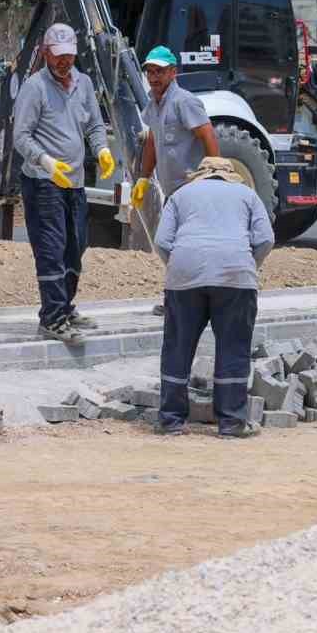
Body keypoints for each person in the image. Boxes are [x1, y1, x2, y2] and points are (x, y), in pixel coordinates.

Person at [154, 156, 275, 438]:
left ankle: (170, 421)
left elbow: (161, 241)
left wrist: (180, 267)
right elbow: (266, 239)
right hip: (236, 276)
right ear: (230, 175)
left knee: (177, 347)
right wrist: (248, 266)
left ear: (201, 175)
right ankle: (232, 423)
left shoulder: (180, 195)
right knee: (233, 348)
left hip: (184, 276)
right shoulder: (247, 195)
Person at [11, 22, 115, 343]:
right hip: (44, 182)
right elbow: (21, 136)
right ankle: (52, 318)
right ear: (45, 53)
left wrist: (102, 150)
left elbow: (96, 125)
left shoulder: (83, 84)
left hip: (75, 182)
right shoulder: (35, 88)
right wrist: (45, 161)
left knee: (75, 246)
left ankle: (66, 307)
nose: (63, 62)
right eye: (57, 56)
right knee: (52, 249)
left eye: (68, 56)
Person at [132, 45, 219, 316]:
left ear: (173, 72)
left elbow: (208, 136)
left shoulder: (184, 101)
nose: (154, 77)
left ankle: (190, 300)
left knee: (177, 245)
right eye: (150, 72)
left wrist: (216, 174)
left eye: (159, 71)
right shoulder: (153, 104)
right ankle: (181, 300)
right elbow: (152, 142)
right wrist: (143, 178)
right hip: (173, 191)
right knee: (170, 245)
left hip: (193, 187)